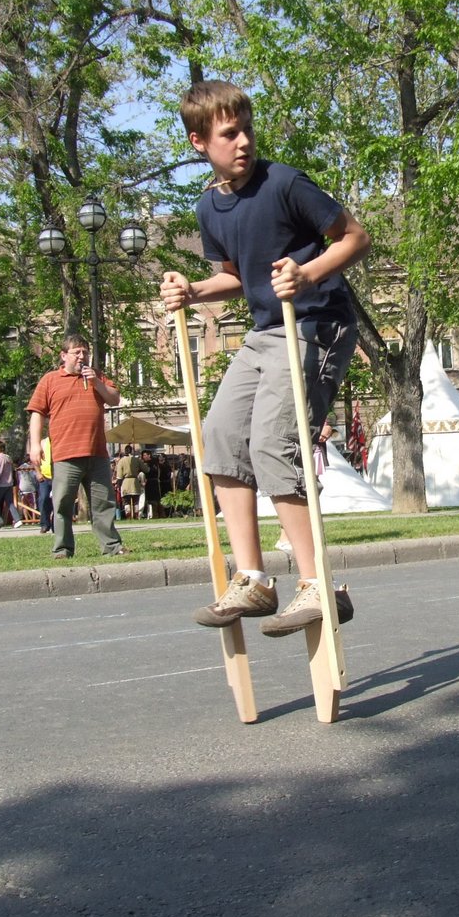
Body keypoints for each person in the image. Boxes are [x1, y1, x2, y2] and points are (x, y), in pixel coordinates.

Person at [159, 78, 370, 636]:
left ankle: (316, 582)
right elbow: (237, 277)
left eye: (248, 129)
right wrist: (193, 291)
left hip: (317, 324)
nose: (244, 142)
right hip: (266, 331)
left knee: (274, 442)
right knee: (222, 436)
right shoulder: (208, 208)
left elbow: (354, 237)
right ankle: (253, 579)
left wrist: (308, 273)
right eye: (230, 134)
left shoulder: (285, 183)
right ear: (198, 142)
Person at [27, 334, 130, 559]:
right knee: (62, 503)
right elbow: (37, 413)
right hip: (65, 454)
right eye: (77, 352)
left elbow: (114, 399)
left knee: (103, 503)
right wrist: (35, 445)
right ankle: (63, 549)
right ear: (64, 356)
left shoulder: (97, 377)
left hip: (96, 453)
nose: (82, 356)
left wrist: (96, 382)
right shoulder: (50, 380)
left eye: (85, 352)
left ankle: (112, 546)